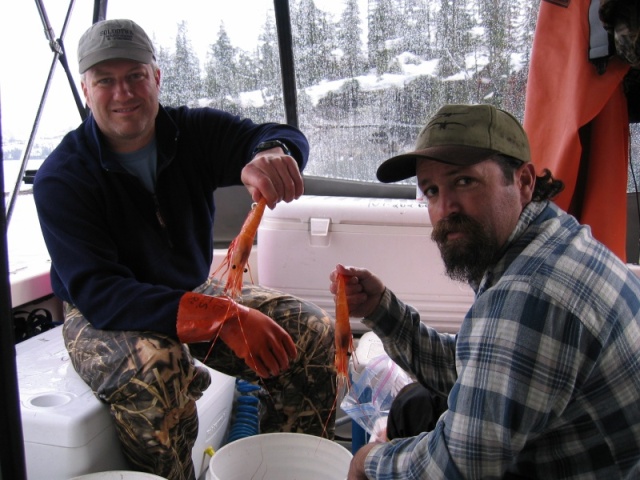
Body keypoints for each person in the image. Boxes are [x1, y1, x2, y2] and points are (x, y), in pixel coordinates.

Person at [33, 18, 336, 480]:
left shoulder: (190, 131)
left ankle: (283, 468)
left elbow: (274, 133)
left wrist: (274, 152)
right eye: (106, 81)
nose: (124, 93)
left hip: (191, 287)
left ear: (156, 77)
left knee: (312, 333)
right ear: (85, 88)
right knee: (160, 366)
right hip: (103, 313)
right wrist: (221, 316)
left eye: (136, 75)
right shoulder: (63, 177)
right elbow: (100, 292)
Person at [330, 103, 640, 479]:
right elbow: (474, 366)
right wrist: (381, 309)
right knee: (413, 405)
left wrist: (368, 461)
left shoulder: (529, 293)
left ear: (523, 181)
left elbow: (460, 467)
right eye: (431, 190)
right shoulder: (548, 236)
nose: (445, 208)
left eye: (464, 181)